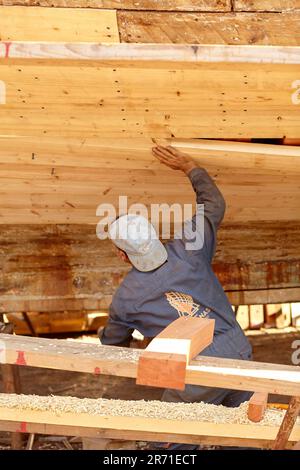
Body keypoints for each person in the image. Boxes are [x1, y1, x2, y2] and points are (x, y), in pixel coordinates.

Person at [99, 145, 252, 410]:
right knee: (245, 428)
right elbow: (214, 204)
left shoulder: (125, 300)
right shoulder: (190, 247)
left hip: (196, 369)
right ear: (154, 233)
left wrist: (118, 335)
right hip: (238, 348)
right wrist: (189, 166)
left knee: (170, 439)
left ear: (122, 255)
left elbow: (114, 344)